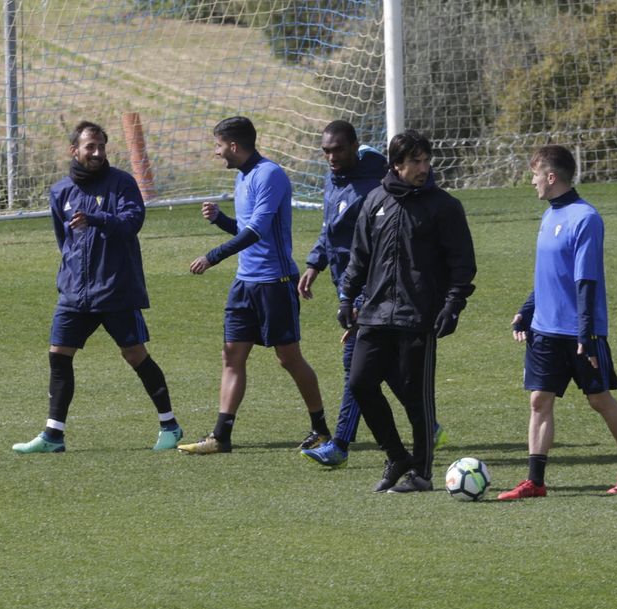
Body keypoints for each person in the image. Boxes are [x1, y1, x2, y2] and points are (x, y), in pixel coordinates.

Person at [12, 120, 181, 454]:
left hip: (115, 289)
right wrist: (73, 274)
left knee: (135, 356)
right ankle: (53, 436)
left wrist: (97, 218)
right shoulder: (61, 191)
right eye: (90, 147)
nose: (97, 153)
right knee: (58, 356)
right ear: (74, 150)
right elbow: (66, 241)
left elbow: (133, 223)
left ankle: (170, 426)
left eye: (102, 146)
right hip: (75, 292)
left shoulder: (122, 184)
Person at [502, 145, 617, 498]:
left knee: (599, 400)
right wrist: (526, 310)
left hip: (581, 332)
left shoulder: (586, 218)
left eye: (536, 176)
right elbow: (550, 275)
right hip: (545, 330)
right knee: (539, 400)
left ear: (551, 177)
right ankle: (535, 482)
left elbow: (585, 281)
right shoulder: (548, 216)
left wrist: (585, 333)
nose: (533, 183)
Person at [339, 129, 476, 494]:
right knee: (360, 383)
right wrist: (345, 298)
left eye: (426, 160)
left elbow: (462, 264)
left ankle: (423, 474)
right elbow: (359, 257)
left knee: (417, 397)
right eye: (415, 161)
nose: (423, 167)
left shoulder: (445, 207)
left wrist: (453, 304)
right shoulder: (374, 202)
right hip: (374, 314)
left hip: (420, 316)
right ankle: (396, 455)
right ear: (396, 165)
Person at [182, 116, 327, 454]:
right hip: (244, 283)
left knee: (288, 358)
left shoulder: (270, 175)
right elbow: (246, 231)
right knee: (231, 355)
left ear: (233, 145)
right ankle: (221, 436)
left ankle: (321, 429)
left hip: (275, 282)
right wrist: (222, 221)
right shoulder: (243, 177)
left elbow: (258, 231)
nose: (217, 153)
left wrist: (213, 256)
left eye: (219, 146)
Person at [297, 120, 388, 469]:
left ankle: (340, 445)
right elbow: (330, 231)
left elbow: (379, 249)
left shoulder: (371, 188)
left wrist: (365, 304)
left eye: (337, 149)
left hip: (370, 290)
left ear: (354, 146)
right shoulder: (333, 181)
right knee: (391, 371)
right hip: (346, 289)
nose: (331, 157)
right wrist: (314, 265)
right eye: (326, 151)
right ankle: (429, 426)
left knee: (356, 368)